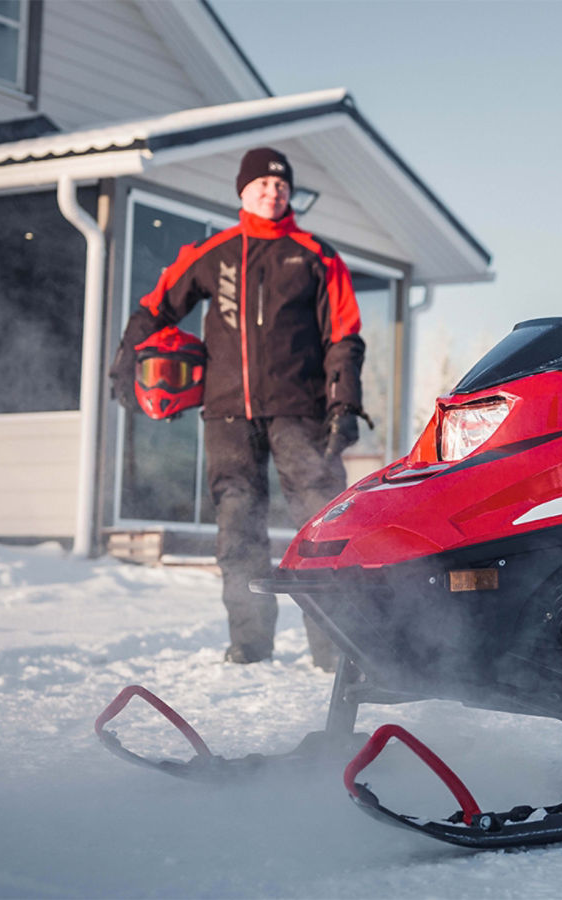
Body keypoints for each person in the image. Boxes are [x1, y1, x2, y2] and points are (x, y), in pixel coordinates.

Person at [110, 147, 364, 669]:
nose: (273, 193)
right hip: (227, 413)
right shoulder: (214, 252)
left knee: (322, 527)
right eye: (262, 185)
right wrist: (124, 361)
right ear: (243, 192)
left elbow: (344, 336)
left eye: (282, 186)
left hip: (301, 411)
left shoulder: (316, 255)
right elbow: (156, 307)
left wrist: (345, 406)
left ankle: (334, 648)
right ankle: (249, 644)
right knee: (237, 526)